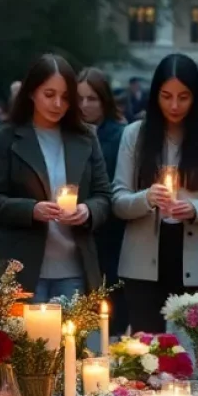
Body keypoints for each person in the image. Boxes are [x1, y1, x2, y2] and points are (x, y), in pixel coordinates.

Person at [112, 53, 198, 333]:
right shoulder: (135, 135)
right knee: (146, 350)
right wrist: (146, 198)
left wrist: (194, 209)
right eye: (166, 96)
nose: (175, 105)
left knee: (197, 347)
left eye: (184, 97)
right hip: (143, 258)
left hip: (195, 255)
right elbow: (118, 201)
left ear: (196, 98)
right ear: (154, 95)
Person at [0, 55, 112, 301]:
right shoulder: (6, 137)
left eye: (65, 97)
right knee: (26, 339)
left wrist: (87, 210)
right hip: (20, 267)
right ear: (32, 93)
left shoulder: (85, 137)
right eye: (49, 94)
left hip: (74, 267)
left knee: (72, 340)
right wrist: (31, 210)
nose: (57, 104)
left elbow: (104, 196)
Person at [78, 67, 127, 331]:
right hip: (76, 231)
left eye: (92, 99)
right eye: (79, 99)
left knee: (113, 315)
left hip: (112, 233)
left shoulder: (120, 135)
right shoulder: (70, 135)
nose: (85, 105)